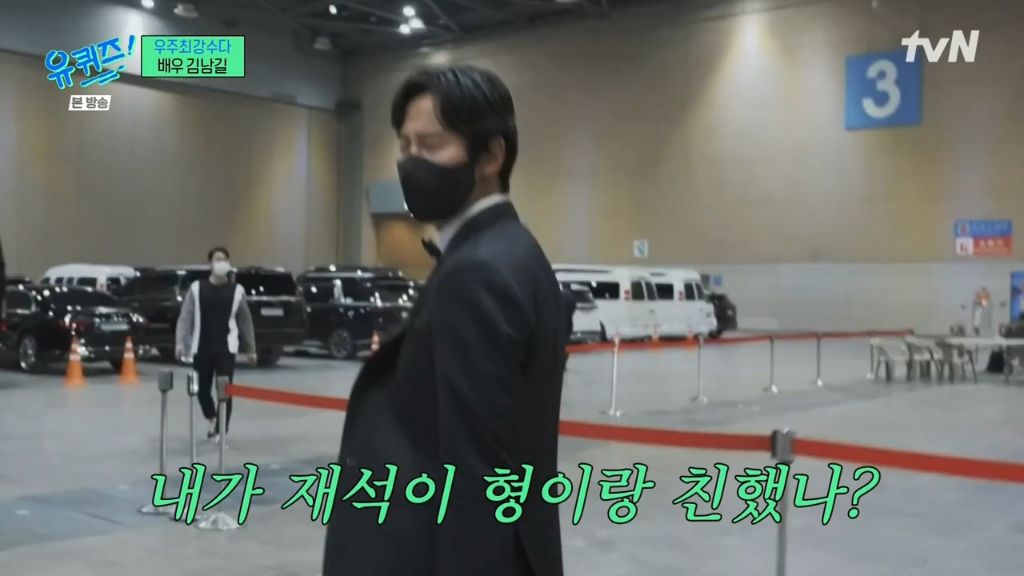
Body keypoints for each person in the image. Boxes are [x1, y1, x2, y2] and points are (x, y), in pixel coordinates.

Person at [323, 66, 568, 576]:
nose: (412, 162)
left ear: (491, 156)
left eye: (431, 145)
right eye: (405, 146)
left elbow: (474, 473)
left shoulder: (478, 272)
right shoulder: (513, 251)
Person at [174, 247, 256, 443]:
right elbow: (185, 317)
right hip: (201, 346)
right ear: (210, 263)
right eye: (217, 259)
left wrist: (250, 348)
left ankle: (221, 431)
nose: (221, 263)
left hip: (226, 348)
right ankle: (211, 416)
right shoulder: (196, 289)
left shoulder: (237, 291)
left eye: (224, 259)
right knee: (202, 390)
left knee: (225, 391)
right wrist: (180, 342)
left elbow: (245, 321)